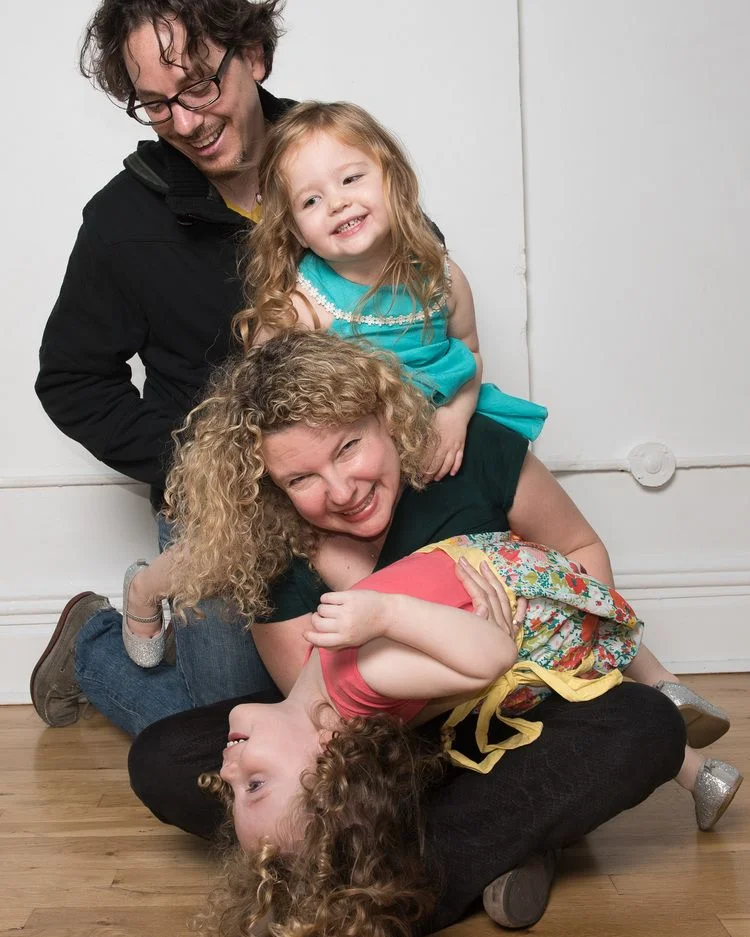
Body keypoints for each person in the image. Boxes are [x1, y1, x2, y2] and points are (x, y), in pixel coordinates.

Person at [129, 329, 691, 931]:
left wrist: (550, 660)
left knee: (646, 725)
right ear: (273, 487)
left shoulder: (476, 450)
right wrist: (461, 653)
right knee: (165, 761)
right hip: (380, 756)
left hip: (528, 710)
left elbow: (580, 551)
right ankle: (503, 845)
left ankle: (381, 887)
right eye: (300, 480)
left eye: (348, 447)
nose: (341, 491)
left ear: (386, 416)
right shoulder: (271, 542)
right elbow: (328, 730)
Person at [31, 0, 293, 731]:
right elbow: (72, 380)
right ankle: (93, 643)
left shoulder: (339, 154)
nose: (184, 121)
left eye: (199, 86)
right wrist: (197, 462)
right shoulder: (121, 219)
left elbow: (421, 282)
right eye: (155, 103)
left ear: (255, 56)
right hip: (219, 502)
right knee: (232, 723)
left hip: (353, 480)